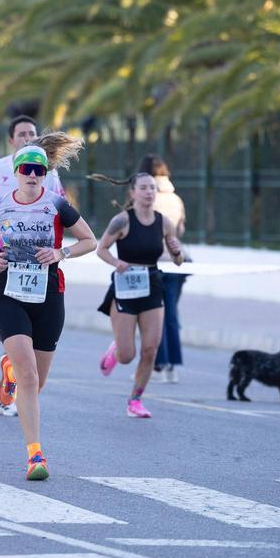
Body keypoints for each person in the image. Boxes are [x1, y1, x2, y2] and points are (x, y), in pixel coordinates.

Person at [0, 134, 97, 480]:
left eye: (39, 169)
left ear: (46, 173)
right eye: (26, 168)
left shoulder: (57, 204)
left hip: (49, 296)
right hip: (9, 295)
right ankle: (35, 456)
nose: (32, 175)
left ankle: (9, 372)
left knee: (36, 382)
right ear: (15, 171)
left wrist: (61, 253)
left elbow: (90, 240)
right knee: (28, 376)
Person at [0, 115, 66, 416]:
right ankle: (8, 383)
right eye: (22, 134)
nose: (27, 138)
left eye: (32, 133)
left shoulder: (49, 174)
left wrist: (60, 252)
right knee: (13, 315)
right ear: (11, 140)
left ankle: (2, 355)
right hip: (2, 255)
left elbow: (59, 211)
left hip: (39, 260)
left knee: (32, 329)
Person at [93, 173, 185, 417]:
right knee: (127, 356)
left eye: (152, 188)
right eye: (143, 188)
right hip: (125, 287)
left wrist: (177, 252)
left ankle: (135, 400)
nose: (149, 192)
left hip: (152, 285)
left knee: (150, 349)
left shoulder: (164, 222)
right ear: (132, 192)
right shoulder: (122, 221)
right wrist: (116, 262)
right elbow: (100, 250)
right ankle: (116, 350)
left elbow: (178, 260)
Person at [138, 155, 188, 384]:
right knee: (170, 316)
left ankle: (157, 364)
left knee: (153, 317)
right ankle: (172, 367)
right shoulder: (176, 199)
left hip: (154, 264)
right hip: (176, 265)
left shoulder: (146, 197)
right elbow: (180, 230)